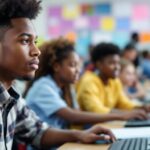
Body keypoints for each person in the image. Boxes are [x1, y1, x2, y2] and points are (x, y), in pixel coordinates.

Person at [0, 0, 116, 150]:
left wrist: (79, 135)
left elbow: (38, 133)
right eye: (25, 40)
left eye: (34, 41)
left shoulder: (12, 98)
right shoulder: (43, 87)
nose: (36, 51)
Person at [24, 38, 147, 135]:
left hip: (63, 141)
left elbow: (76, 115)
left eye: (79, 65)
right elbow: (73, 117)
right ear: (56, 66)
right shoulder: (44, 87)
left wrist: (141, 108)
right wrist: (123, 115)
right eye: (73, 65)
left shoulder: (66, 87)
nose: (78, 70)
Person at [77, 42, 150, 115]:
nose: (117, 67)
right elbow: (96, 110)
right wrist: (127, 114)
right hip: (88, 126)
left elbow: (124, 104)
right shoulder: (89, 81)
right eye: (112, 63)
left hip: (107, 123)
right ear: (99, 64)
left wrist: (143, 107)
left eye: (118, 63)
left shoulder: (114, 81)